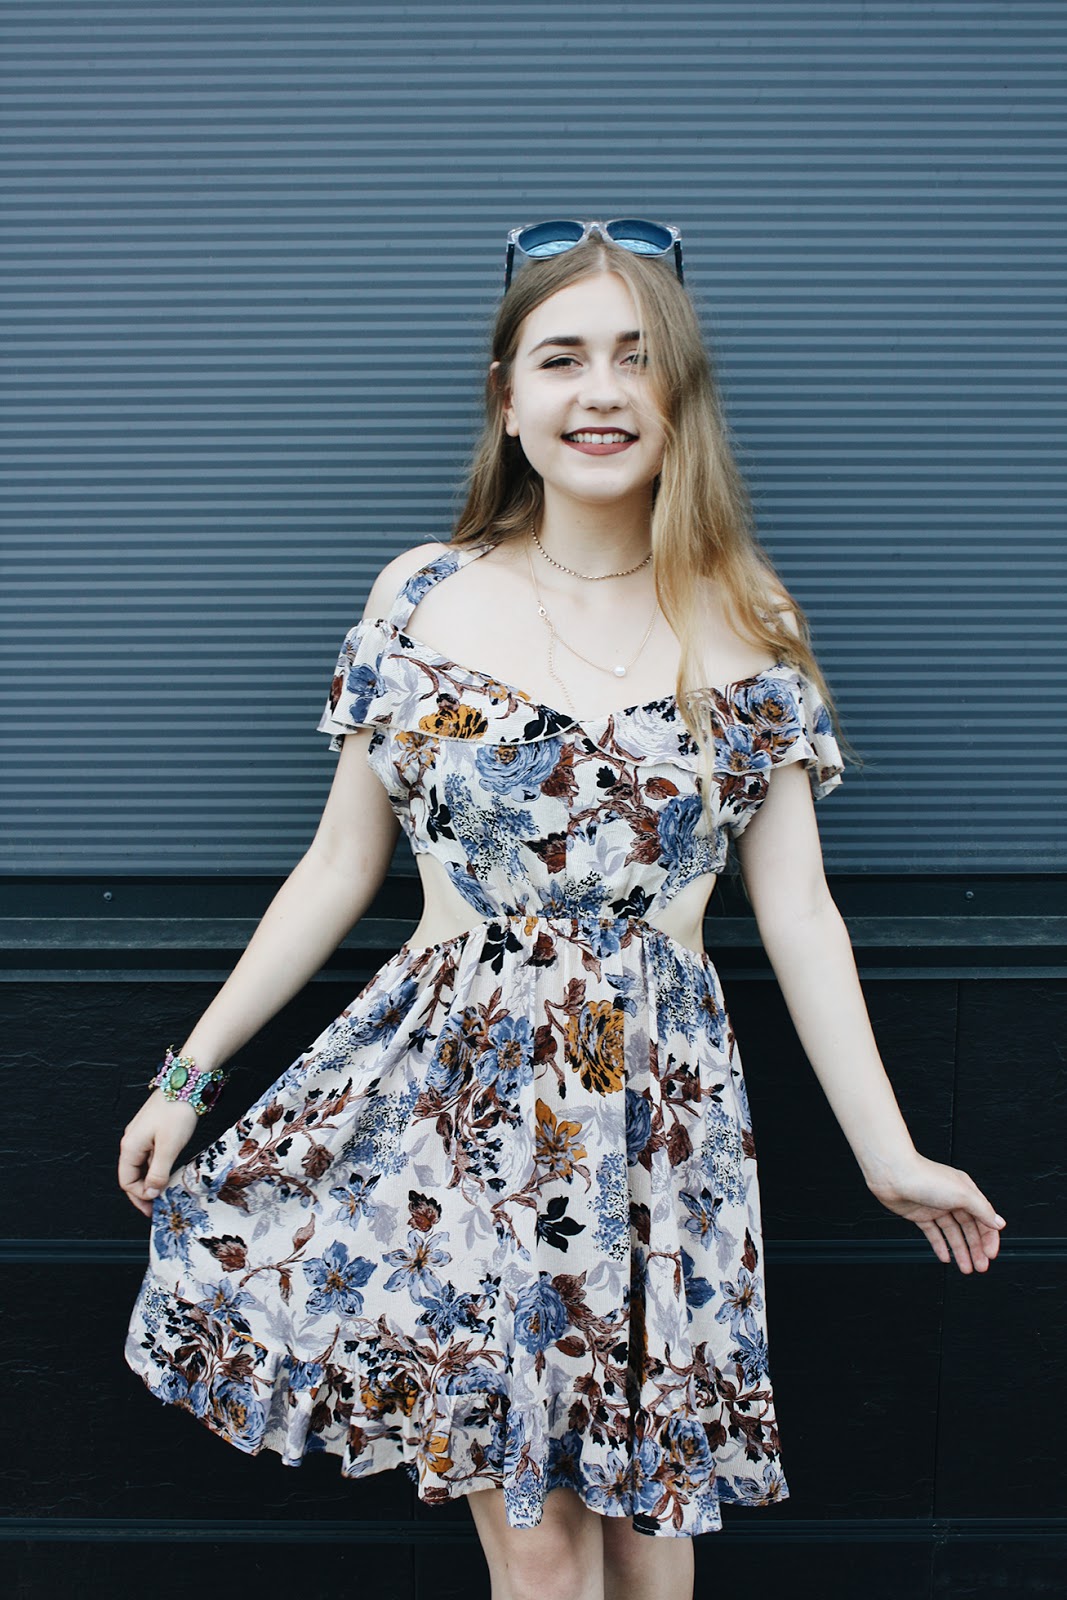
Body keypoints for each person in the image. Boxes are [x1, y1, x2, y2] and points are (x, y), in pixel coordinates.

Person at [119, 219, 1004, 1600]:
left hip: (660, 1120)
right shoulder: (424, 594)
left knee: (653, 1544)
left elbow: (801, 916)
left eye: (637, 359)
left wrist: (890, 1155)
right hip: (452, 1106)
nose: (601, 391)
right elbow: (337, 868)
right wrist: (191, 1072)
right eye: (563, 358)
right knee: (540, 1548)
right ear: (507, 398)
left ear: (680, 395)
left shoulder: (746, 613)